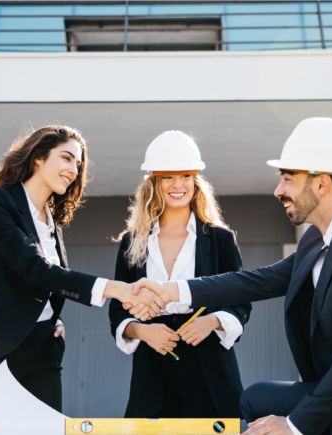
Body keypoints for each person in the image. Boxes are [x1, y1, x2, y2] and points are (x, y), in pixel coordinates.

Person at [131, 118, 332, 435]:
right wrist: (172, 290)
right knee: (256, 399)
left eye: (287, 178)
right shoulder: (317, 239)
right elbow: (255, 282)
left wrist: (295, 425)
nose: (278, 190)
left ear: (321, 183)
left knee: (275, 421)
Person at [0, 125, 166, 412]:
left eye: (78, 164)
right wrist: (118, 289)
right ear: (38, 157)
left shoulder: (52, 222)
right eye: (66, 158)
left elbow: (47, 283)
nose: (74, 169)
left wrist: (54, 317)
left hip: (42, 350)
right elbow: (34, 268)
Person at [109, 131, 252, 418]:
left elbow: (240, 303)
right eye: (167, 177)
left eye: (186, 175)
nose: (178, 185)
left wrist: (210, 321)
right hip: (153, 366)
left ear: (195, 181)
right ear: (153, 183)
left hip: (210, 367)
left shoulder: (221, 239)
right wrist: (143, 332)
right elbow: (117, 309)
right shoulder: (132, 242)